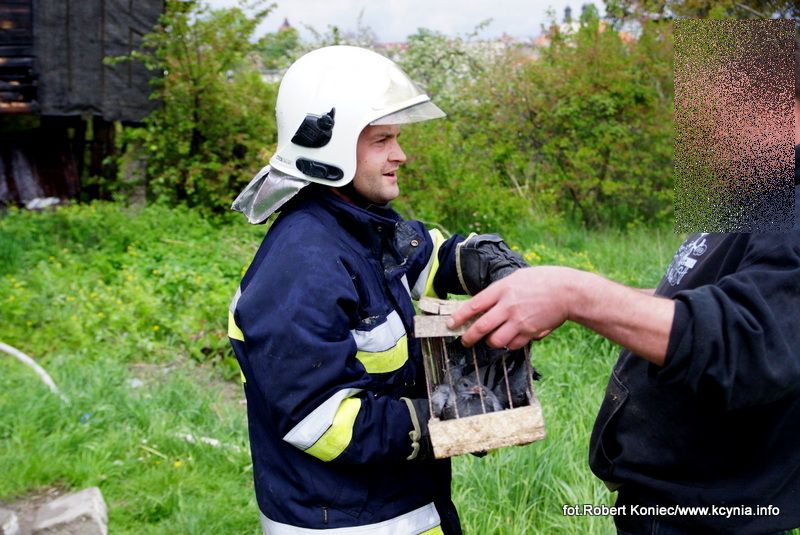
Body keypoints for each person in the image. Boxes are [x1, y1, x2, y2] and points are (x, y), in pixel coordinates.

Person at [448, 41, 800, 535]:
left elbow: (749, 345)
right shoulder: (760, 200)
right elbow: (692, 309)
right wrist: (567, 295)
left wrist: (576, 293)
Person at [227, 45, 526, 535]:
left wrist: (488, 265)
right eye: (382, 140)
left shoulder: (358, 225)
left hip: (402, 503)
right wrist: (442, 417)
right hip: (348, 521)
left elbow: (419, 261)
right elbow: (321, 423)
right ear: (330, 147)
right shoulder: (301, 265)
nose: (400, 155)